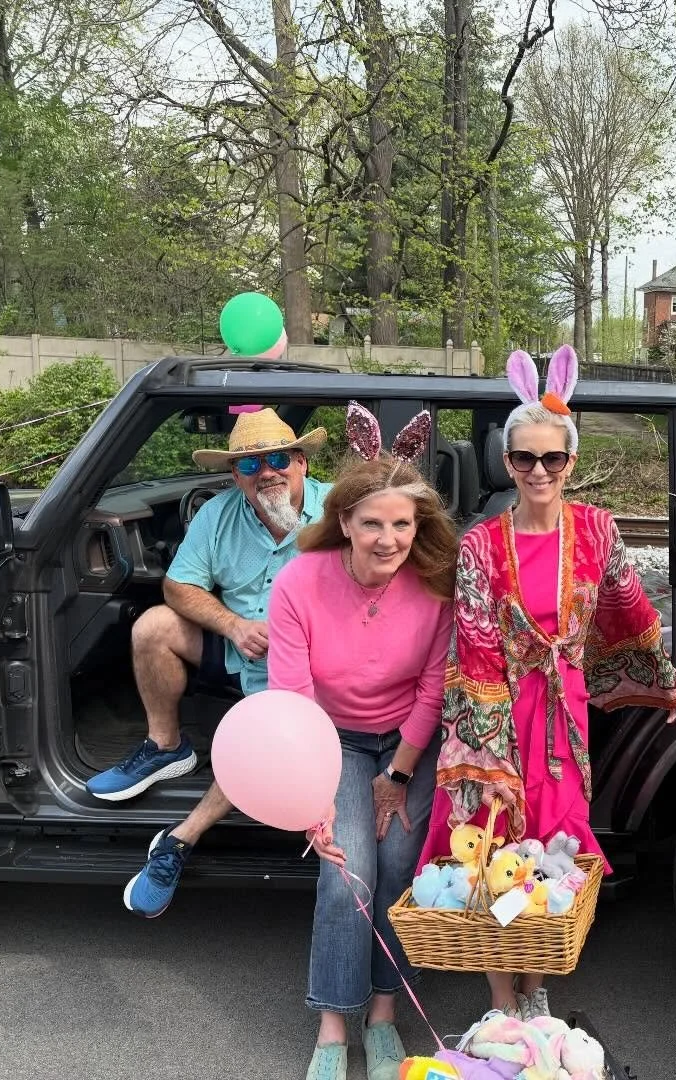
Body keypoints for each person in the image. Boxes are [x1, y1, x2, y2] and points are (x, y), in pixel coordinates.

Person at [422, 345, 676, 1021]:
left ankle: (536, 985)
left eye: (551, 458)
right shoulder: (479, 544)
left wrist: (669, 683)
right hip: (496, 717)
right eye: (523, 458)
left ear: (571, 463)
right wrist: (488, 758)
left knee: (551, 854)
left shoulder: (596, 530)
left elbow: (628, 614)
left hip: (565, 719)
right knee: (493, 843)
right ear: (507, 463)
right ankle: (501, 998)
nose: (537, 470)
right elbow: (471, 644)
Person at [87, 407, 331, 918]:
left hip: (311, 669)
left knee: (263, 738)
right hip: (239, 645)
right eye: (248, 464)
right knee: (152, 625)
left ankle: (178, 841)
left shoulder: (338, 510)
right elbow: (179, 584)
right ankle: (166, 746)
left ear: (302, 462)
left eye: (277, 458)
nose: (266, 471)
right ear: (234, 476)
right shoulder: (219, 514)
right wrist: (233, 627)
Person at [272, 405, 456, 1080]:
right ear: (343, 520)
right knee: (346, 868)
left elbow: (435, 690)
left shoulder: (435, 589)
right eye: (372, 523)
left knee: (401, 867)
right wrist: (313, 800)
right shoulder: (298, 583)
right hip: (332, 741)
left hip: (408, 744)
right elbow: (291, 698)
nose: (388, 539)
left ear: (418, 526)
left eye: (402, 524)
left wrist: (399, 777)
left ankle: (382, 1016)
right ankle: (332, 1025)